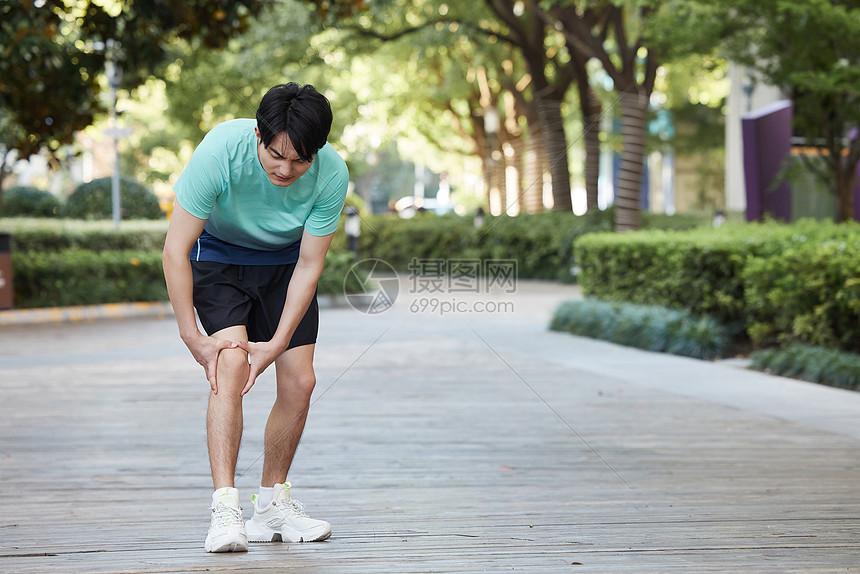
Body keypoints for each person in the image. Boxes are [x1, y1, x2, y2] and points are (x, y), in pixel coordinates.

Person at [162, 83, 348, 553]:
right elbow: (175, 248)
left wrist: (279, 341)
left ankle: (271, 505)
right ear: (259, 137)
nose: (286, 170)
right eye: (277, 156)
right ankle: (226, 509)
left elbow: (309, 266)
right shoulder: (221, 149)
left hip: (285, 266)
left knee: (300, 382)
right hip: (220, 260)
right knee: (230, 365)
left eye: (300, 160)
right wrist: (192, 336)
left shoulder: (332, 173)